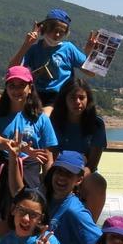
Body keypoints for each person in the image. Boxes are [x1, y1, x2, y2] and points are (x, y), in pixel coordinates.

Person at [0, 66, 57, 230]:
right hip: (1, 177)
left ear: (30, 88)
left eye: (21, 85)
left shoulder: (40, 119)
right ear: (6, 89)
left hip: (30, 175)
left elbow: (48, 158)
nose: (16, 90)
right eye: (12, 86)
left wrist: (48, 187)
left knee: (28, 225)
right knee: (4, 228)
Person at [8, 8, 97, 112]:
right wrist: (26, 45)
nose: (58, 35)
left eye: (62, 32)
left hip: (61, 96)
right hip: (36, 95)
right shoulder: (34, 49)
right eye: (55, 30)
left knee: (46, 114)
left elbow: (91, 73)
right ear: (45, 28)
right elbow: (12, 69)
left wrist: (90, 53)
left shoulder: (68, 48)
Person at [50, 76, 108, 219]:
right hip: (57, 172)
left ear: (88, 99)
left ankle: (89, 229)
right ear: (64, 99)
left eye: (81, 97)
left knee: (98, 183)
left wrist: (76, 180)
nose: (77, 102)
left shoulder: (97, 125)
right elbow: (51, 157)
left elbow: (92, 164)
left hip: (83, 174)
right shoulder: (54, 123)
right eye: (72, 98)